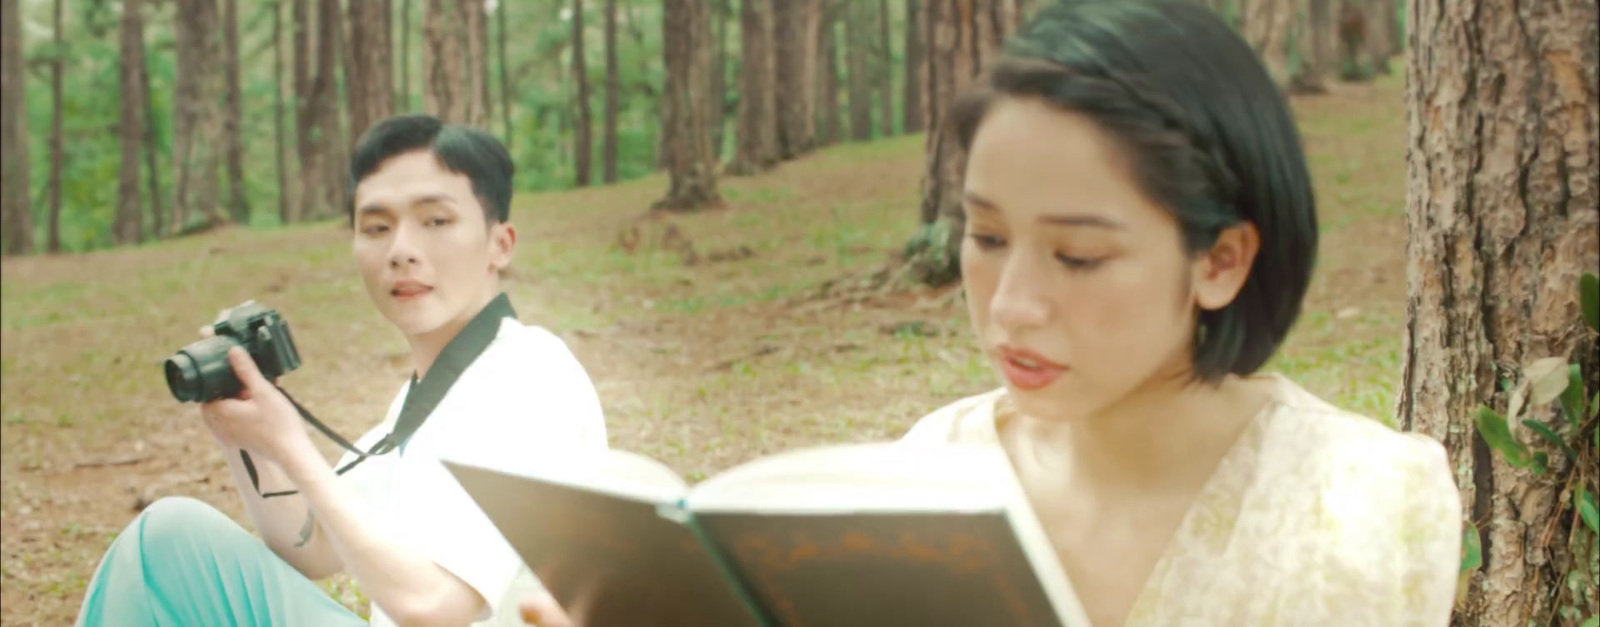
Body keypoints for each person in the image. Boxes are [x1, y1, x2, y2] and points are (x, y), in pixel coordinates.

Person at [513, 1, 1461, 625]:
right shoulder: (926, 473)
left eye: (1079, 256)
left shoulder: (1363, 502)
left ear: (1220, 260)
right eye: (986, 236)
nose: (1012, 306)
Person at [76, 114, 609, 627]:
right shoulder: (424, 400)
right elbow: (310, 546)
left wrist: (291, 446)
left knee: (163, 538)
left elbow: (436, 609)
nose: (401, 251)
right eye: (376, 226)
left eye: (436, 221)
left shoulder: (528, 377)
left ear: (500, 244)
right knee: (171, 539)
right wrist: (245, 434)